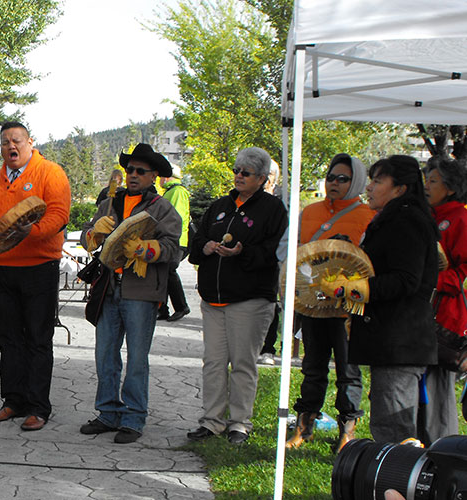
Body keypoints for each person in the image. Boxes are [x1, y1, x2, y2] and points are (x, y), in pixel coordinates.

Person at [0, 121, 71, 431]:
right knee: (8, 337)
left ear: (29, 142)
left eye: (16, 140)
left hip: (40, 266)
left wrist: (32, 232)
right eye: (4, 142)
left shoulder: (50, 172)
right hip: (5, 268)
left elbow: (59, 213)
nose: (10, 147)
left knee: (39, 339)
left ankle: (39, 406)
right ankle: (13, 401)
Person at [78, 143, 181, 444]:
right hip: (109, 288)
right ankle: (108, 412)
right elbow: (88, 239)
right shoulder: (110, 202)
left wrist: (147, 250)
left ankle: (134, 418)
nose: (132, 175)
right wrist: (94, 231)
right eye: (129, 170)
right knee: (105, 354)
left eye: (140, 171)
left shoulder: (162, 208)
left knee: (137, 358)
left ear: (153, 176)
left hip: (142, 290)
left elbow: (175, 248)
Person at [186, 147, 287, 445]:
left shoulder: (272, 209)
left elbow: (274, 252)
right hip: (214, 299)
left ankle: (239, 424)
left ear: (262, 178)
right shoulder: (220, 205)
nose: (239, 176)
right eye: (237, 170)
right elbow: (197, 240)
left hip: (250, 299)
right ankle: (212, 421)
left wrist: (243, 253)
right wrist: (204, 247)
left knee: (243, 363)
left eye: (246, 173)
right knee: (214, 362)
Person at [341, 155, 439, 443]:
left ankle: (396, 484)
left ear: (400, 188)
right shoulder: (392, 218)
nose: (369, 187)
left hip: (401, 340)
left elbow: (406, 279)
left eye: (378, 181)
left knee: (394, 430)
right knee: (388, 422)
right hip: (390, 339)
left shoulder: (407, 221)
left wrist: (355, 289)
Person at [285, 153, 373, 452]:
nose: (334, 183)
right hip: (313, 301)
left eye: (342, 179)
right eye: (331, 177)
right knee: (313, 366)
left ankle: (347, 430)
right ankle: (304, 426)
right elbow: (296, 251)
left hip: (347, 304)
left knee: (348, 369)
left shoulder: (368, 215)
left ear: (357, 182)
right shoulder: (309, 211)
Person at [418, 156, 467, 445]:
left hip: (444, 314)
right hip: (421, 311)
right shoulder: (427, 215)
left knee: (437, 384)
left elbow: (462, 269)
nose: (427, 185)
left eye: (433, 181)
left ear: (449, 187)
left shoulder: (459, 217)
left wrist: (432, 281)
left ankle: (443, 445)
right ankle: (421, 441)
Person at [158, 164, 191, 322]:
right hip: (171, 239)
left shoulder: (177, 191)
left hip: (176, 240)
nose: (159, 180)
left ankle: (181, 306)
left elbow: (174, 217)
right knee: (163, 272)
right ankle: (162, 309)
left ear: (167, 177)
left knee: (169, 271)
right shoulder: (171, 192)